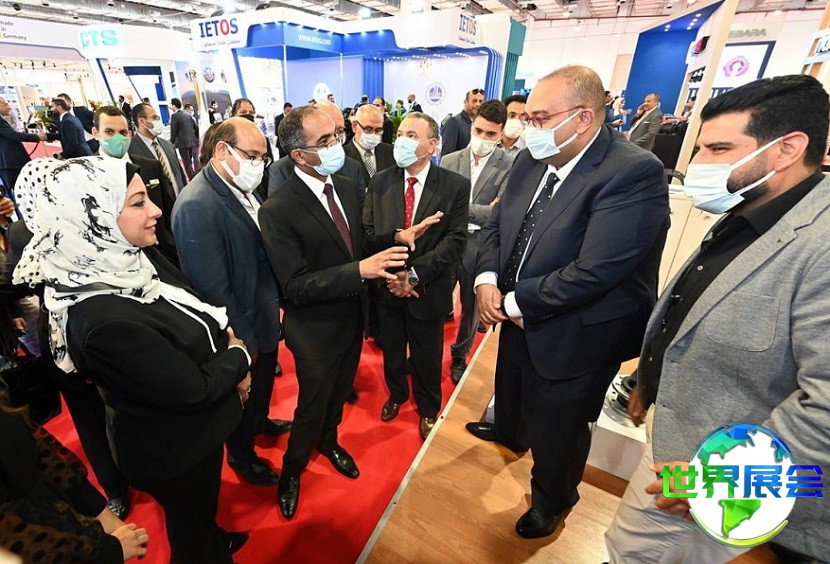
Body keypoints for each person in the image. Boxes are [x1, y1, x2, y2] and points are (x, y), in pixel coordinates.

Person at [606, 74, 830, 563]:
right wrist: (650, 378)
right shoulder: (757, 206)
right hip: (679, 441)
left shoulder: (821, 244)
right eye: (700, 149)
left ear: (787, 149)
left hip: (722, 482)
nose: (699, 165)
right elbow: (697, 306)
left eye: (719, 149)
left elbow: (826, 407)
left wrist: (722, 484)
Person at [13, 156, 252, 563]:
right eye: (138, 202)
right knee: (191, 536)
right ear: (91, 218)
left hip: (190, 434)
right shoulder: (102, 321)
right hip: (176, 451)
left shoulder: (124, 259)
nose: (156, 210)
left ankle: (213, 540)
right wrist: (237, 357)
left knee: (198, 518)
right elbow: (192, 390)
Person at [468, 65, 669, 539]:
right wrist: (486, 278)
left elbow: (596, 271)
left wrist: (511, 302)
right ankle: (511, 432)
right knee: (512, 384)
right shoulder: (531, 159)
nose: (527, 129)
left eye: (539, 119)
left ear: (583, 118)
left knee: (560, 426)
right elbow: (499, 226)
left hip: (579, 329)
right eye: (527, 119)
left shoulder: (633, 172)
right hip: (517, 309)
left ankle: (552, 500)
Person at [258, 106, 415, 520]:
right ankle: (292, 470)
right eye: (325, 141)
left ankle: (328, 442)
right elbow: (294, 286)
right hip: (314, 329)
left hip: (352, 317)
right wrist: (359, 271)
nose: (337, 147)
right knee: (312, 404)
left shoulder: (344, 186)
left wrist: (395, 236)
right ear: (298, 155)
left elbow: (356, 243)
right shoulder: (277, 209)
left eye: (337, 136)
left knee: (340, 393)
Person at [172, 118, 288, 487]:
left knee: (262, 388)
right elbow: (213, 290)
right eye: (252, 156)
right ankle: (243, 456)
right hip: (239, 327)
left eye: (262, 158)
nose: (259, 165)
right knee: (241, 398)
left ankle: (260, 422)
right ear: (222, 150)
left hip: (263, 312)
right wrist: (241, 343)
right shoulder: (197, 204)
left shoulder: (241, 187)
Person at [364, 112, 470, 440]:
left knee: (427, 354)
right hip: (387, 287)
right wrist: (392, 273)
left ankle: (427, 408)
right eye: (400, 134)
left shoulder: (454, 185)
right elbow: (368, 234)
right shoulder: (380, 181)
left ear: (432, 144)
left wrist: (411, 276)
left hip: (428, 288)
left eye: (411, 135)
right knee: (393, 349)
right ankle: (397, 394)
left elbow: (455, 241)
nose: (402, 141)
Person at [0, 393, 149, 562]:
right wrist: (104, 551)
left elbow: (41, 448)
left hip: (61, 524)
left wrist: (100, 513)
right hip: (45, 545)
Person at [440, 100, 513, 384]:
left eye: (491, 134)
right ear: (472, 126)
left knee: (471, 308)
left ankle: (460, 354)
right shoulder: (450, 160)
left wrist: (459, 208)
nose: (483, 138)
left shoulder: (510, 166)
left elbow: (498, 213)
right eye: (479, 131)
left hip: (480, 245)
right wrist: (479, 209)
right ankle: (427, 350)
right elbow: (440, 206)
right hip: (447, 240)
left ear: (501, 133)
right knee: (436, 299)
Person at [93, 105, 179, 267]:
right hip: (116, 262)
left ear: (130, 133)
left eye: (123, 132)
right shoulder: (88, 175)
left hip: (161, 255)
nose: (117, 138)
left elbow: (168, 210)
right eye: (109, 132)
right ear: (96, 133)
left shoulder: (150, 167)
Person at [269, 101, 367, 210]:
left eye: (338, 132)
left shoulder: (353, 167)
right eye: (324, 139)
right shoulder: (282, 170)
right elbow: (280, 212)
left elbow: (361, 212)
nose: (335, 141)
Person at [128, 103, 186, 194]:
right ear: (142, 121)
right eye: (154, 118)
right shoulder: (130, 150)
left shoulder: (168, 145)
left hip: (180, 200)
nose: (158, 122)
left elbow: (180, 174)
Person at [230, 98, 275, 201]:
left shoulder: (263, 140)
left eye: (251, 113)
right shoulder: (227, 142)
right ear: (234, 115)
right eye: (243, 112)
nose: (247, 115)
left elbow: (269, 167)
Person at [0, 96, 46, 194]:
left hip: (9, 162)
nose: (9, 107)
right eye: (5, 104)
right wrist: (36, 137)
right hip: (10, 162)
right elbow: (13, 135)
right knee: (21, 190)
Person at [345, 104, 395, 182]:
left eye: (378, 130)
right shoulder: (342, 156)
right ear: (355, 126)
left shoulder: (391, 152)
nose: (373, 134)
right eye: (368, 129)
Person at [441, 89, 485, 157]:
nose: (478, 104)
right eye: (474, 101)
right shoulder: (454, 122)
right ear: (465, 102)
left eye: (480, 101)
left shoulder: (482, 125)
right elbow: (447, 155)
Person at [169, 98, 199, 182]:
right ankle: (195, 176)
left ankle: (192, 179)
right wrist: (196, 139)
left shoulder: (174, 116)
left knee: (186, 162)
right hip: (192, 142)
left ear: (174, 106)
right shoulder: (188, 115)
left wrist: (171, 143)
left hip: (182, 143)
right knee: (191, 160)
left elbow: (174, 131)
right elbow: (196, 128)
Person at [499, 94, 527, 159]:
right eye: (512, 116)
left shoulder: (528, 150)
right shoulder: (490, 142)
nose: (516, 121)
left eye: (522, 118)